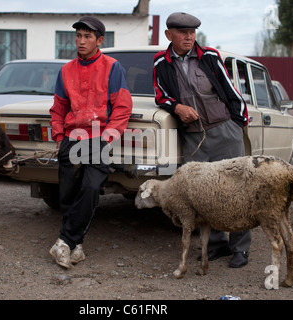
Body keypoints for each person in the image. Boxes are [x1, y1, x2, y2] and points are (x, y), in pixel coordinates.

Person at [153, 12, 251, 268]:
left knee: (237, 190)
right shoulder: (160, 63)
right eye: (183, 32)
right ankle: (217, 245)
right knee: (203, 195)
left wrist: (237, 124)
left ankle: (241, 248)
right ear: (168, 35)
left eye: (192, 32)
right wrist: (177, 108)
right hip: (194, 137)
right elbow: (161, 96)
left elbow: (230, 90)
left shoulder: (209, 56)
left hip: (224, 130)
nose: (189, 37)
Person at [49, 16, 133, 269]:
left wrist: (107, 138)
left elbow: (122, 107)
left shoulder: (112, 66)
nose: (81, 41)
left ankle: (63, 242)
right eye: (78, 36)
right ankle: (76, 246)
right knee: (68, 194)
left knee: (91, 188)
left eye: (87, 36)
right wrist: (60, 136)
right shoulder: (65, 70)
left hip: (98, 138)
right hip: (71, 139)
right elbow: (58, 108)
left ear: (99, 41)